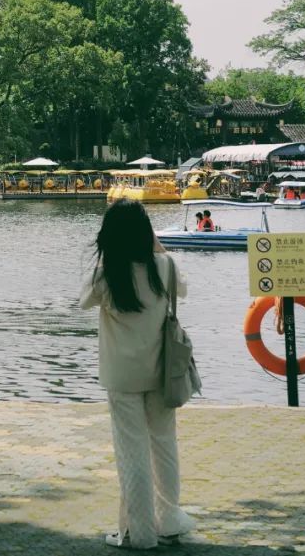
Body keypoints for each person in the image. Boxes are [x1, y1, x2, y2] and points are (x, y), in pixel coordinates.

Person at [80, 200, 196, 549]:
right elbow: (184, 289)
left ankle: (139, 534)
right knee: (164, 447)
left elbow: (83, 298)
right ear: (147, 233)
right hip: (163, 373)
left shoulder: (107, 274)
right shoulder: (165, 267)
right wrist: (158, 248)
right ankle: (169, 522)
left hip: (122, 377)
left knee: (133, 454)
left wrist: (107, 258)